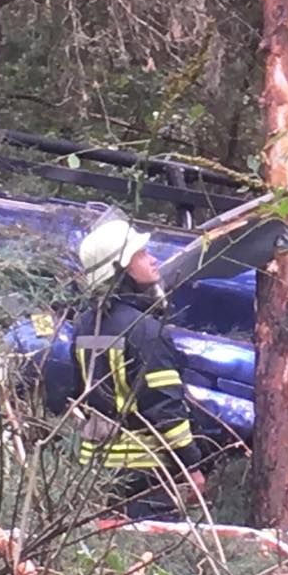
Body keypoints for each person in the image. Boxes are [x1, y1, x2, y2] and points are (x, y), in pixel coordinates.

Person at [71, 218, 203, 519]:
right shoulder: (144, 331)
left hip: (96, 469)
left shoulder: (84, 325)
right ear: (120, 269)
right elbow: (164, 408)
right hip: (146, 472)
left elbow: (79, 393)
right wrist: (191, 465)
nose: (152, 259)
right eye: (141, 254)